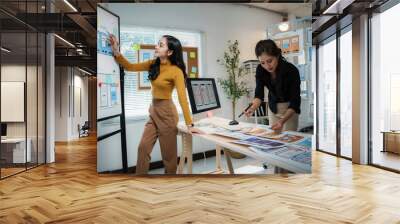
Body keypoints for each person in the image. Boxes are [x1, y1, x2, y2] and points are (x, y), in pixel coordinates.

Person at [109, 34, 203, 174]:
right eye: (157, 44)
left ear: (170, 52)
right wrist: (116, 51)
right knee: (143, 148)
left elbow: (183, 99)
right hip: (154, 113)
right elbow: (130, 67)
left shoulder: (176, 71)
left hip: (167, 115)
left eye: (160, 45)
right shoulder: (153, 64)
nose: (156, 46)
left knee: (169, 159)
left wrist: (190, 124)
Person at [244, 39, 301, 133]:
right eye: (262, 63)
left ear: (277, 56)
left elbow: (295, 102)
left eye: (269, 61)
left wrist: (282, 121)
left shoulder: (291, 70)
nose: (267, 66)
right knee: (274, 138)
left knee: (288, 140)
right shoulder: (260, 70)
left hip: (290, 109)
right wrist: (252, 108)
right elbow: (259, 95)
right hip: (273, 107)